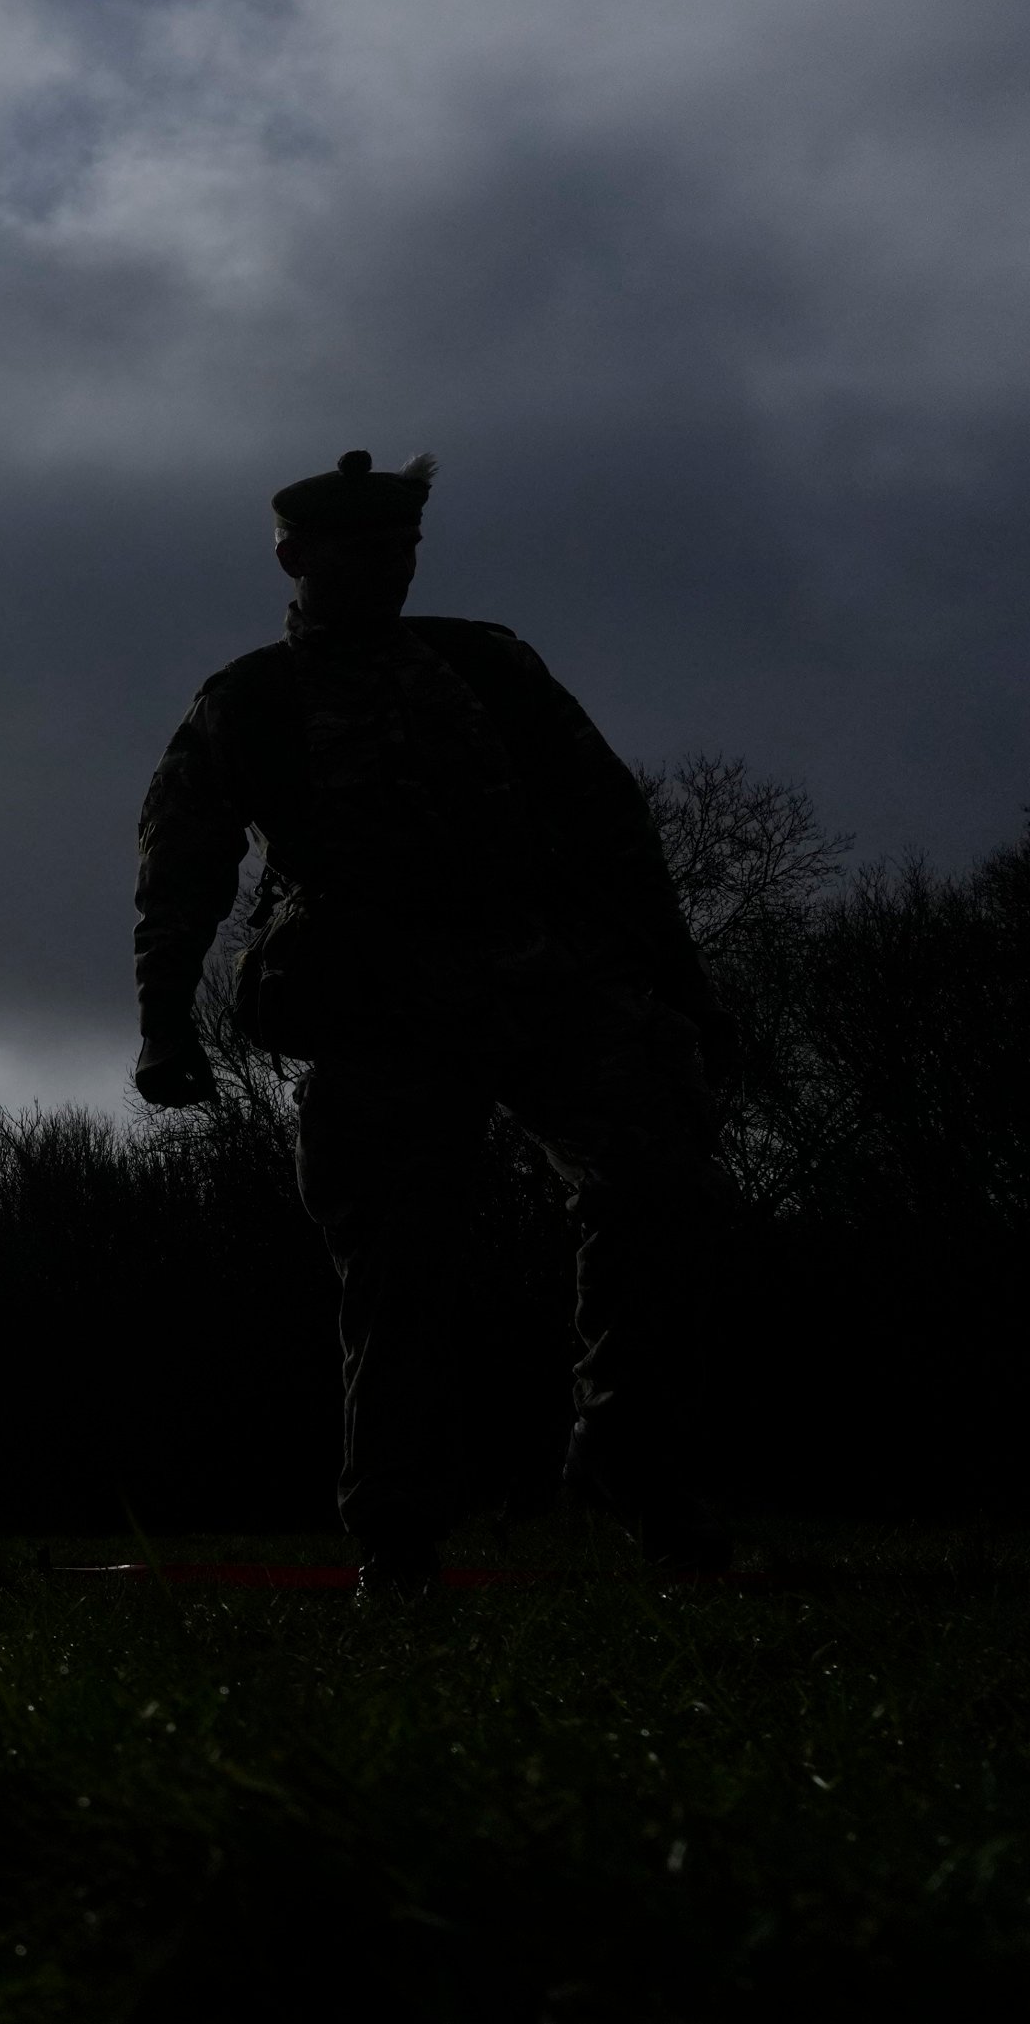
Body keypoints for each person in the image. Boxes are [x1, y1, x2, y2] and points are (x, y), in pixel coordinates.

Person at [133, 450, 734, 1592]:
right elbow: (182, 873)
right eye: (361, 551)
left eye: (402, 549)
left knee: (657, 1187)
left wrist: (680, 984)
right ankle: (396, 1536)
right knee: (395, 1264)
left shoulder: (488, 665)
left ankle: (634, 1464)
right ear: (295, 559)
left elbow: (611, 825)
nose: (388, 570)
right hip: (375, 1003)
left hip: (547, 977)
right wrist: (166, 1024)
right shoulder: (247, 703)